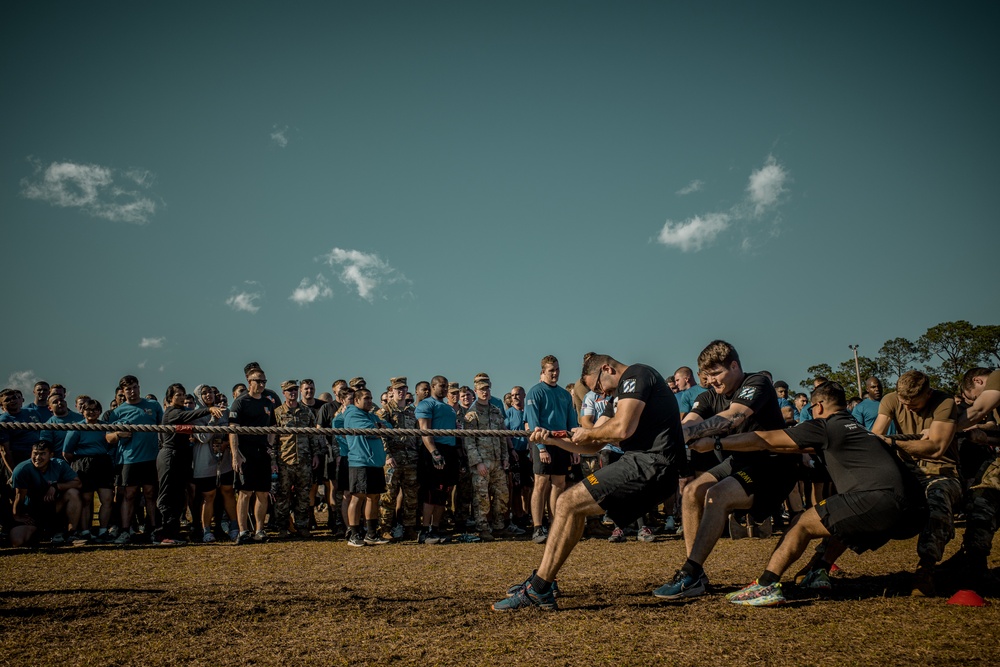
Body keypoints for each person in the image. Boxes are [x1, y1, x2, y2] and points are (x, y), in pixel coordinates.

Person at [692, 382, 926, 606]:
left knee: (801, 523)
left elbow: (764, 439)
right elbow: (793, 447)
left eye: (812, 408)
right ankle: (819, 569)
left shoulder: (825, 426)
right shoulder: (859, 429)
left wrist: (717, 443)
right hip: (912, 511)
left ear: (820, 406)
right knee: (841, 518)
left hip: (878, 499)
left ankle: (766, 585)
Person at [494, 352, 683, 611]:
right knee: (569, 504)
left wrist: (590, 431)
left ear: (607, 369)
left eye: (597, 386)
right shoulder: (615, 398)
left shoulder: (637, 375)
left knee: (568, 501)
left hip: (654, 463)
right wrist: (550, 440)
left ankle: (540, 587)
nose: (600, 393)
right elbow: (592, 445)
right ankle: (543, 582)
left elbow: (621, 429)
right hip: (640, 462)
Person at [654, 340, 793, 600]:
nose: (712, 381)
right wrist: (670, 438)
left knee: (716, 495)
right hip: (738, 461)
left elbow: (734, 416)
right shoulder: (707, 395)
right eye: (707, 375)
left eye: (717, 373)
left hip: (770, 463)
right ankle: (694, 573)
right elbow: (690, 423)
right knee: (693, 491)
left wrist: (698, 438)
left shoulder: (757, 383)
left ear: (735, 365)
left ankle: (690, 571)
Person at [871, 370, 961, 596]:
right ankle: (821, 561)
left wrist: (893, 443)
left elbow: (936, 447)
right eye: (904, 402)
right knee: (865, 497)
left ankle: (926, 569)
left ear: (928, 394)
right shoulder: (891, 400)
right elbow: (875, 437)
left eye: (915, 402)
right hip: (907, 469)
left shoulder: (945, 402)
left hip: (942, 470)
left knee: (938, 498)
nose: (908, 407)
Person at [942, 368, 1000, 589]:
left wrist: (943, 429)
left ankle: (974, 565)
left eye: (975, 394)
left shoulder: (998, 376)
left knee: (983, 502)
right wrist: (987, 438)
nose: (975, 399)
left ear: (978, 380)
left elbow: (978, 409)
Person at [155, 383, 224, 545]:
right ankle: (162, 534)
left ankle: (174, 532)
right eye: (177, 394)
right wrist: (209, 410)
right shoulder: (171, 413)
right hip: (169, 456)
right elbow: (189, 416)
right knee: (167, 496)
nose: (181, 397)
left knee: (179, 497)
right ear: (169, 398)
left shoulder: (184, 412)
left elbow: (191, 416)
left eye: (183, 394)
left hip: (181, 457)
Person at [524, 355, 579, 544]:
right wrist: (540, 448)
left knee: (559, 484)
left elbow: (572, 423)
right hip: (543, 444)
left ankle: (555, 524)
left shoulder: (565, 394)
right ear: (542, 372)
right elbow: (532, 423)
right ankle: (537, 527)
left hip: (562, 444)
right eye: (551, 370)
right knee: (540, 483)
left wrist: (574, 449)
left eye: (557, 369)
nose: (555, 373)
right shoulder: (535, 392)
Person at [106, 375, 164, 544]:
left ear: (139, 387)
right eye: (128, 389)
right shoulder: (117, 412)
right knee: (129, 495)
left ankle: (153, 529)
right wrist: (118, 434)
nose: (132, 391)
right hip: (128, 459)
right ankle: (125, 531)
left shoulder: (153, 405)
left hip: (151, 458)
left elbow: (163, 428)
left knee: (150, 494)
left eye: (134, 387)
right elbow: (107, 437)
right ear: (123, 392)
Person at [229, 367, 276, 544]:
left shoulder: (268, 402)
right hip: (245, 454)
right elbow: (232, 430)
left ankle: (259, 530)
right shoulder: (240, 402)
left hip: (262, 453)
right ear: (249, 382)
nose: (262, 384)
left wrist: (270, 445)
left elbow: (273, 427)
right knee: (245, 493)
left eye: (264, 381)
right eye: (258, 381)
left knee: (263, 493)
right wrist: (236, 455)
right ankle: (243, 532)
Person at [463, 378, 512, 542]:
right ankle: (483, 528)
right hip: (481, 462)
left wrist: (505, 457)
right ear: (475, 392)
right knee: (482, 497)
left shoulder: (496, 411)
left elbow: (503, 437)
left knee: (502, 494)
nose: (485, 392)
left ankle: (498, 526)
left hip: (497, 461)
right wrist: (477, 462)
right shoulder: (471, 415)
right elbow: (469, 441)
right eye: (482, 389)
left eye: (487, 389)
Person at [272, 380, 322, 539]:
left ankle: (302, 527)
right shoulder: (278, 413)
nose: (292, 393)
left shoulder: (307, 412)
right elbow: (273, 439)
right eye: (289, 390)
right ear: (284, 393)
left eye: (294, 390)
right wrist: (273, 460)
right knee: (282, 496)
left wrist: (315, 454)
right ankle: (283, 528)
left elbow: (313, 436)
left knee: (303, 496)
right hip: (284, 461)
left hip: (304, 460)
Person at [10, 440, 83, 546]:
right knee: (18, 541)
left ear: (51, 455)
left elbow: (78, 483)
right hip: (31, 512)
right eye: (35, 453)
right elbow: (19, 496)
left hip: (53, 507)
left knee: (73, 493)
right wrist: (17, 516)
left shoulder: (59, 464)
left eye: (42, 454)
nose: (38, 457)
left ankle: (71, 533)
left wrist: (56, 486)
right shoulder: (22, 469)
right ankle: (43, 532)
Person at [343, 388, 392, 546]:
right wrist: (378, 427)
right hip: (360, 462)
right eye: (366, 398)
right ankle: (354, 533)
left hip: (375, 462)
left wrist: (379, 426)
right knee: (358, 497)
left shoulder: (370, 415)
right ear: (356, 400)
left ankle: (371, 534)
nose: (370, 401)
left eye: (371, 398)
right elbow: (372, 431)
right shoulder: (352, 414)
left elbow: (388, 427)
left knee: (374, 496)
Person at [191, 384, 238, 542]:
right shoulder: (195, 415)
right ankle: (206, 530)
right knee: (208, 496)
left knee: (228, 492)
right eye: (203, 393)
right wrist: (213, 418)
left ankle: (234, 526)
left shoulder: (225, 412)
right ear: (199, 396)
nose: (208, 395)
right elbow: (203, 438)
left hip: (223, 461)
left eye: (210, 392)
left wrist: (225, 443)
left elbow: (230, 433)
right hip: (205, 462)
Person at [414, 376, 458, 544]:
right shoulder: (426, 404)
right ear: (433, 386)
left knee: (443, 492)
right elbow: (425, 431)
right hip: (435, 449)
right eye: (442, 386)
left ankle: (435, 529)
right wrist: (434, 452)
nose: (445, 389)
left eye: (446, 386)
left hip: (450, 450)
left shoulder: (449, 408)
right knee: (431, 492)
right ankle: (424, 531)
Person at [376, 377, 421, 541]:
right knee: (388, 496)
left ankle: (409, 528)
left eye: (403, 389)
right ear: (391, 391)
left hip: (411, 460)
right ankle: (385, 528)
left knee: (411, 496)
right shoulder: (384, 412)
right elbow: (381, 436)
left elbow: (418, 436)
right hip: (392, 461)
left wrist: (419, 454)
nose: (401, 392)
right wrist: (387, 454)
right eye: (397, 390)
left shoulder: (411, 412)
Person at [63, 399, 115, 540]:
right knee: (86, 499)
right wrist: (78, 464)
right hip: (83, 463)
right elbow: (67, 453)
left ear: (99, 411)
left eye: (95, 409)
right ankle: (85, 531)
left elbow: (111, 444)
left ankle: (103, 530)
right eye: (88, 409)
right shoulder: (76, 428)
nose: (91, 412)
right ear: (83, 411)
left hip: (103, 462)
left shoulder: (106, 427)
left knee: (107, 498)